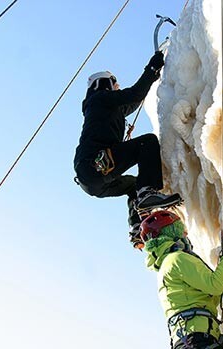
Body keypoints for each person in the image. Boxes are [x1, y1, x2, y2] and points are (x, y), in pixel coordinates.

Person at [73, 51, 181, 247]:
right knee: (147, 142)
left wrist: (152, 78)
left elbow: (132, 101)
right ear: (103, 84)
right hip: (94, 164)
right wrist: (151, 69)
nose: (117, 87)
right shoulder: (100, 98)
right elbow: (133, 94)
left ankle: (137, 227)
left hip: (92, 179)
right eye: (114, 83)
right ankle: (148, 193)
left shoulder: (102, 106)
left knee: (132, 185)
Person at [140, 210, 223, 349]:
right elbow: (214, 285)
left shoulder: (166, 265)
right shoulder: (177, 258)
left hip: (189, 337)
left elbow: (209, 292)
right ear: (170, 232)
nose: (185, 233)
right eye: (180, 228)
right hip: (197, 338)